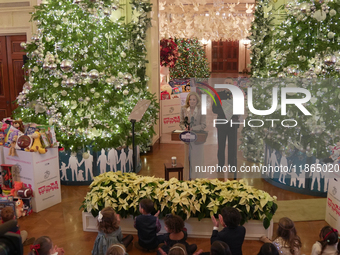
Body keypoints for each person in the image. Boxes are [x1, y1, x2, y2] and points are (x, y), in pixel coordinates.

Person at [212, 78, 239, 174]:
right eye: (226, 83)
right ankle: (220, 165)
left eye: (230, 83)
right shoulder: (218, 95)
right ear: (224, 84)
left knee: (232, 146)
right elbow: (214, 109)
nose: (228, 84)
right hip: (222, 124)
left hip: (233, 125)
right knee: (221, 146)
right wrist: (225, 111)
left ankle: (232, 165)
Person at [179, 91, 206, 180]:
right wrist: (185, 128)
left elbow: (203, 125)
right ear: (188, 101)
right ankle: (187, 178)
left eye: (194, 99)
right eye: (190, 99)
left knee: (197, 160)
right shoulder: (183, 109)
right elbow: (181, 123)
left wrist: (193, 128)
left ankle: (198, 179)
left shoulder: (202, 110)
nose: (192, 101)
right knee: (188, 159)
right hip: (187, 139)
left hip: (198, 139)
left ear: (197, 101)